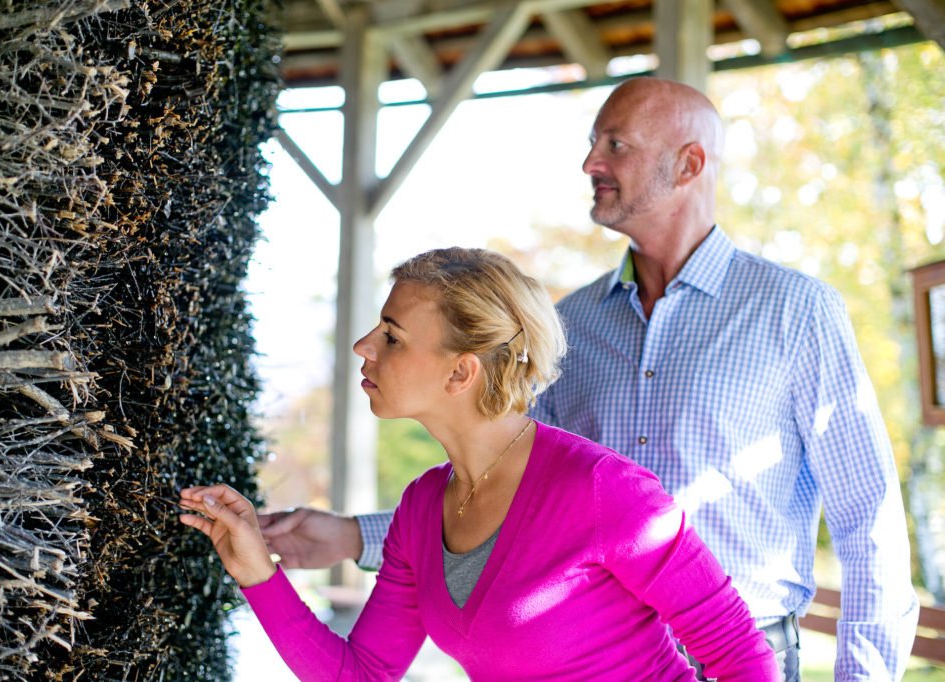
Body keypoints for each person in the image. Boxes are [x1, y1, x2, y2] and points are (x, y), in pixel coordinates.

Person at [257, 77, 919, 681]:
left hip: (742, 658)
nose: (590, 164)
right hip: (581, 652)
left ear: (689, 164)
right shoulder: (569, 327)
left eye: (616, 145)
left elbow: (868, 521)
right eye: (592, 142)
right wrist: (352, 535)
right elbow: (512, 489)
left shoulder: (793, 311)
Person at [180, 247, 779, 680]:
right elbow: (360, 674)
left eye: (391, 335)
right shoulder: (420, 509)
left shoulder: (604, 490)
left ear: (460, 371)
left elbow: (742, 656)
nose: (364, 346)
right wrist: (257, 572)